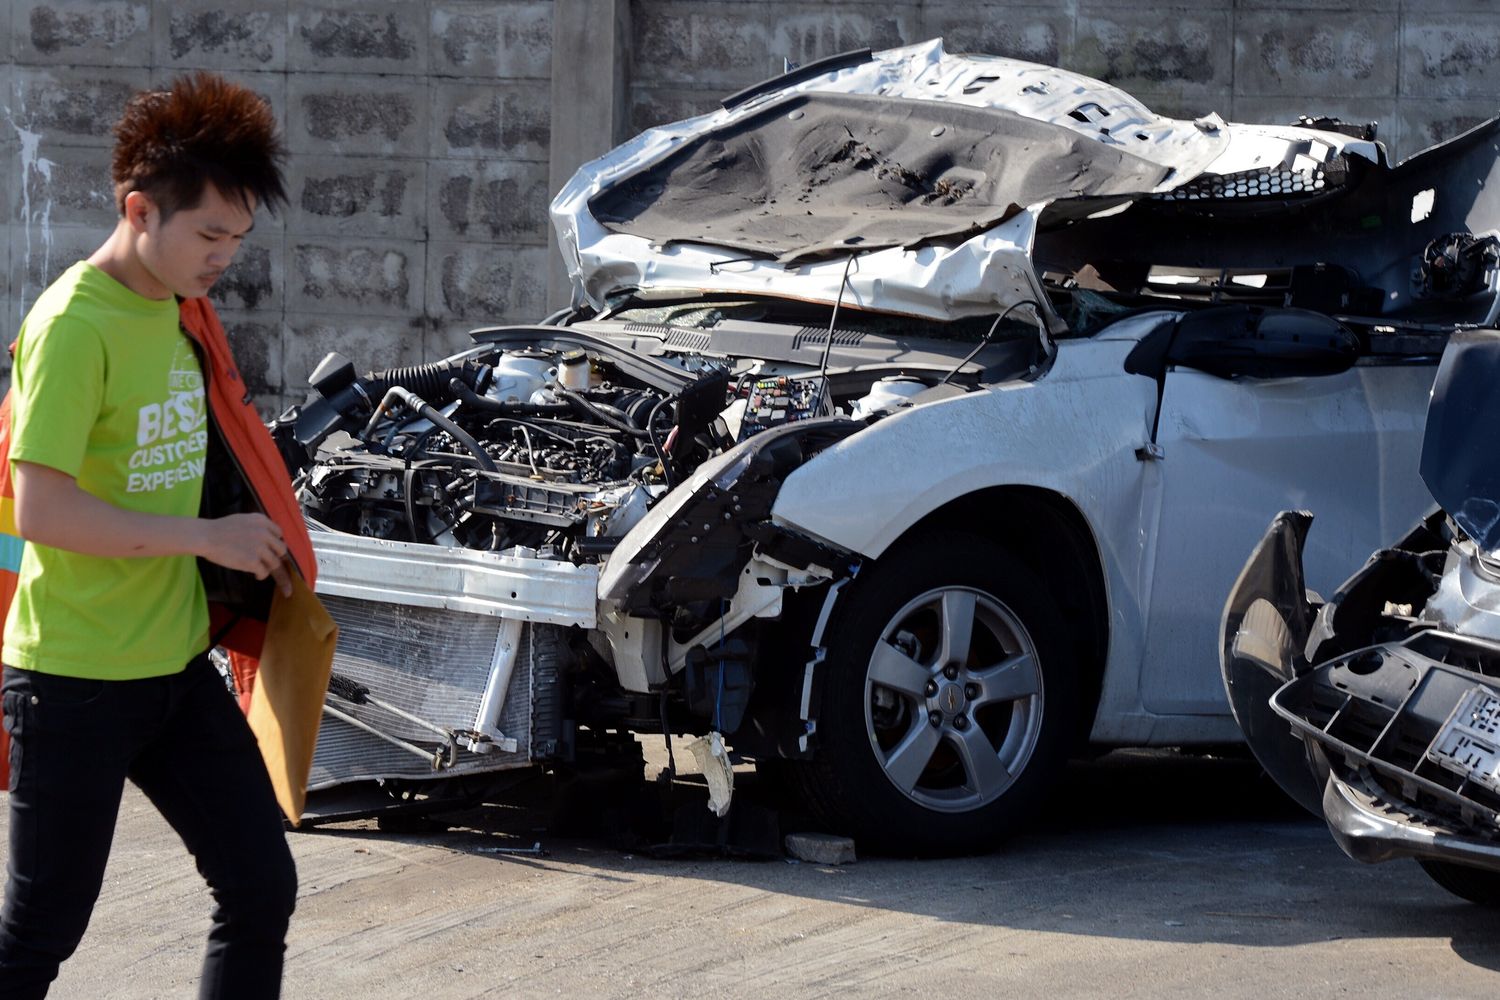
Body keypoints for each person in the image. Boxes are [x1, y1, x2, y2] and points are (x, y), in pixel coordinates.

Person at [0, 72, 313, 1000]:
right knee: (40, 935)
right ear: (140, 210)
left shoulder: (180, 314)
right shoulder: (73, 324)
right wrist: (204, 538)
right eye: (210, 235)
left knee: (261, 887)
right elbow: (41, 511)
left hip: (173, 669)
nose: (225, 258)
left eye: (238, 239)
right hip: (74, 681)